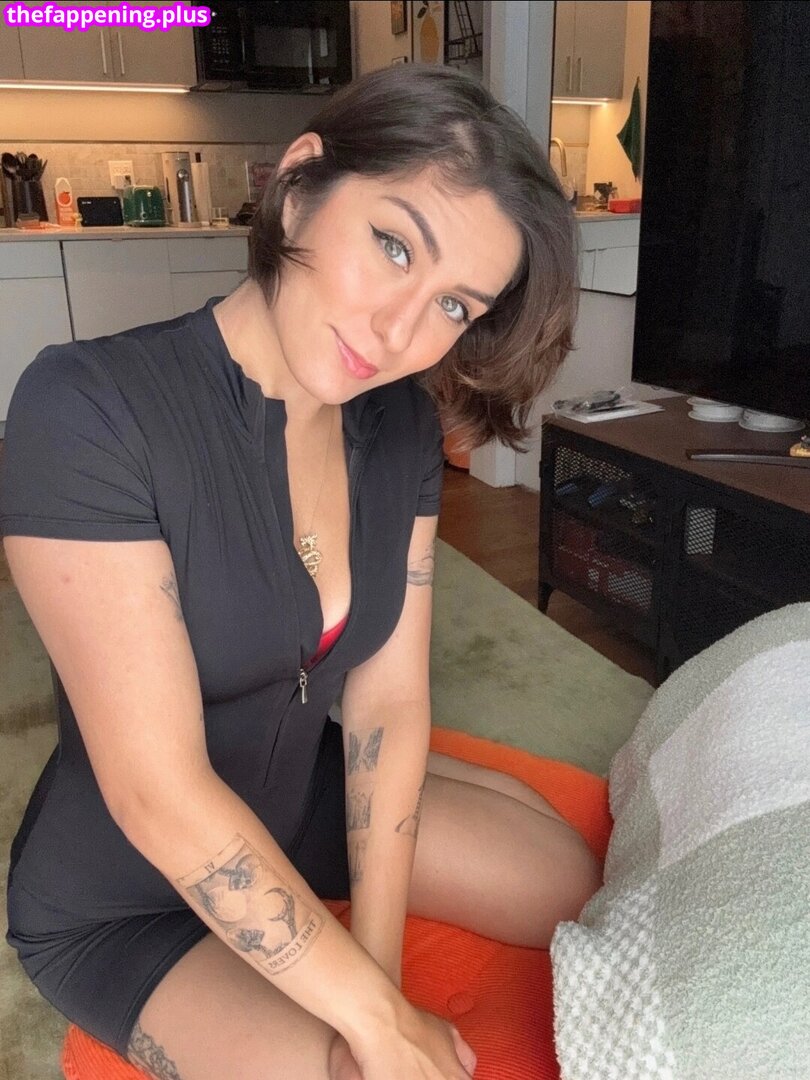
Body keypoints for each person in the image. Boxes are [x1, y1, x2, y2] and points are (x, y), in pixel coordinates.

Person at [1, 64, 595, 1080]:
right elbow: (156, 794)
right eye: (394, 245)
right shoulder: (85, 408)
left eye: (453, 304)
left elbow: (387, 701)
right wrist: (371, 1025)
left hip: (297, 800)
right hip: (128, 890)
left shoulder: (399, 426)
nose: (401, 331)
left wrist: (378, 975)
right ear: (299, 185)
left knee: (566, 885)